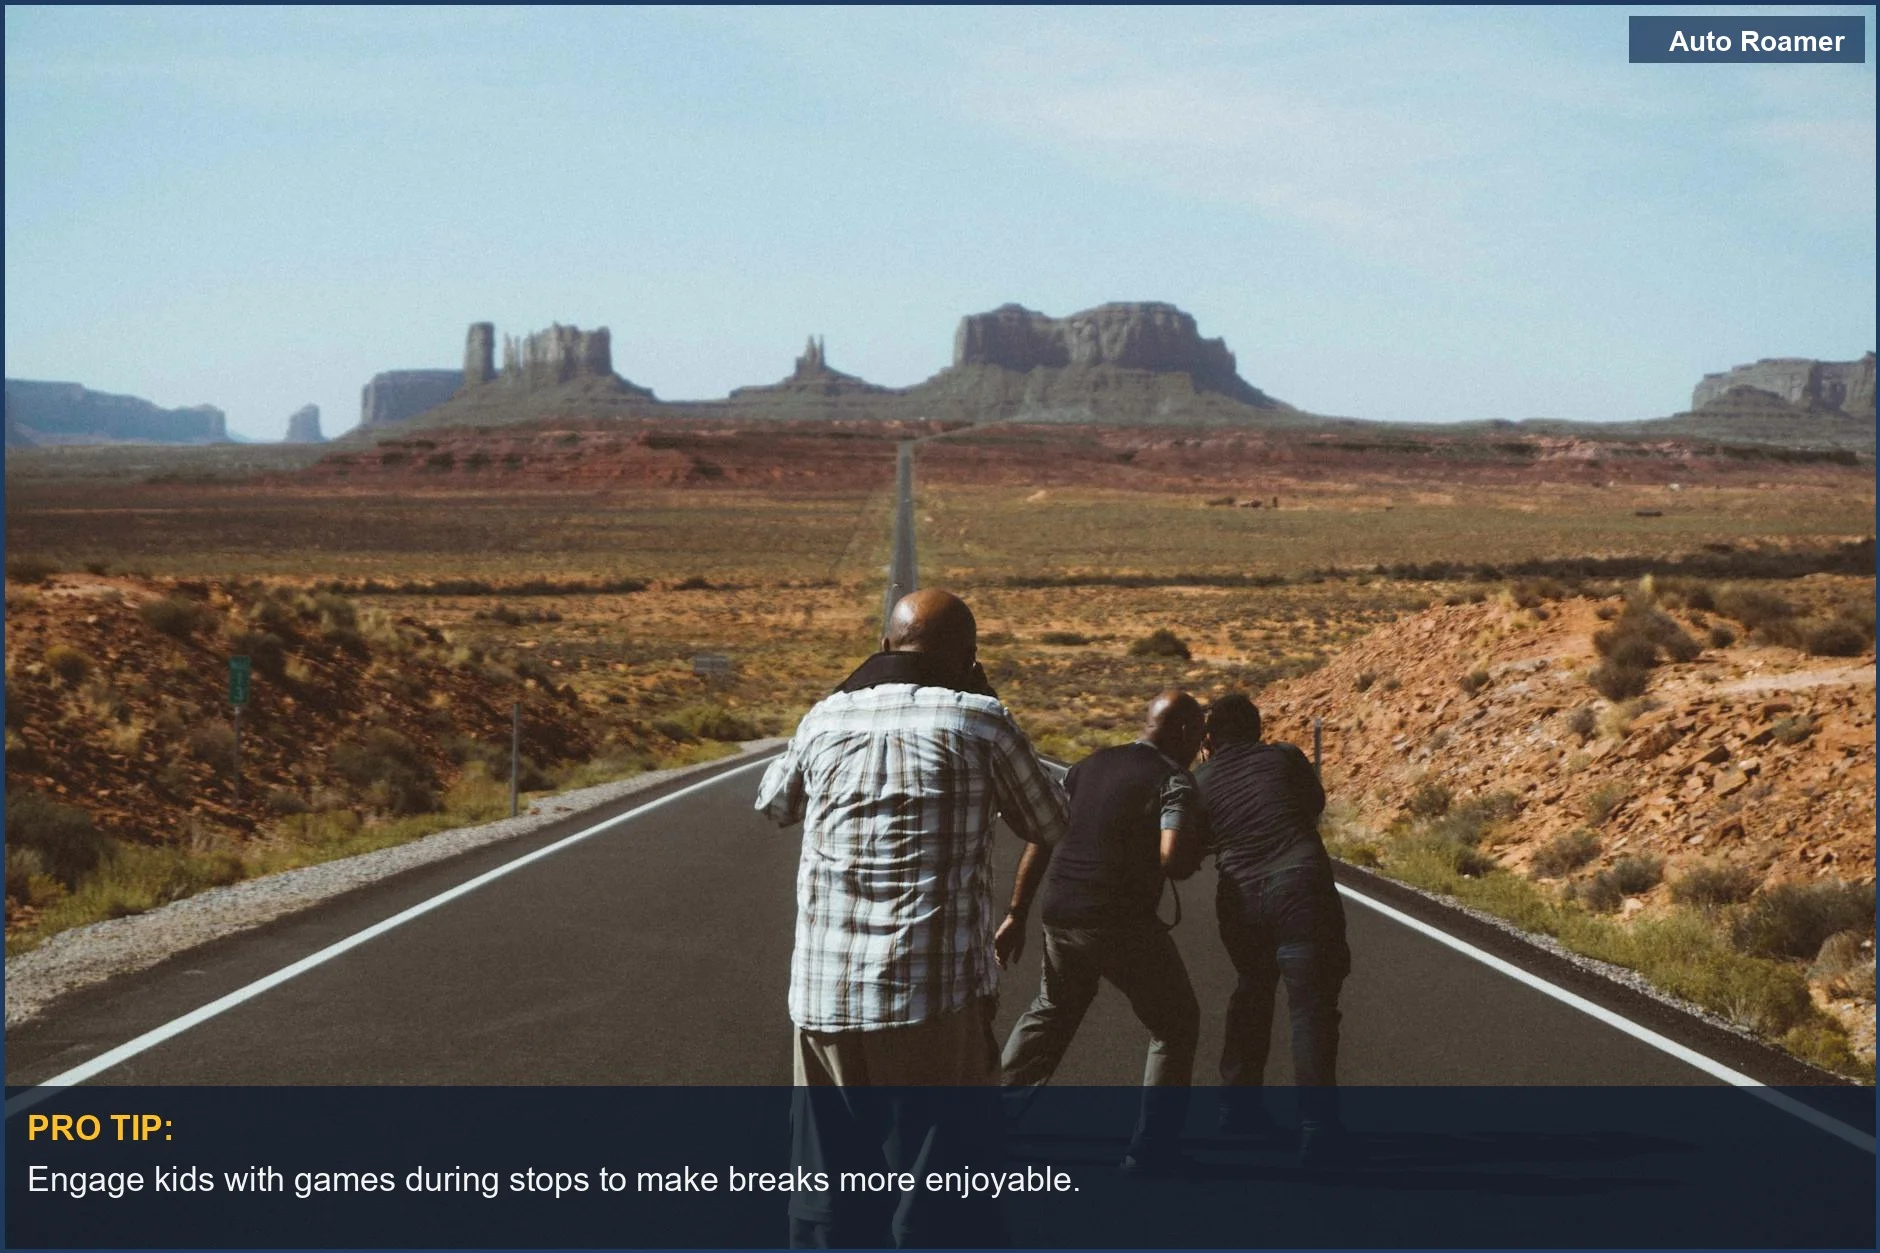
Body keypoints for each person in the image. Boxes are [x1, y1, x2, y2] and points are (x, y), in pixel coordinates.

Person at [755, 588, 1069, 1248]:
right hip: (933, 999)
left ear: (884, 646)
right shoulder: (982, 720)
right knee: (942, 1202)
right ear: (970, 658)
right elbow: (1050, 819)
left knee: (827, 1199)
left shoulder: (825, 717)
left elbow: (775, 803)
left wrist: (846, 695)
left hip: (824, 998)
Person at [995, 690, 1207, 1176]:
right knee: (1175, 1025)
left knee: (1051, 1012)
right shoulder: (1174, 779)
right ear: (1181, 732)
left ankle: (988, 1123)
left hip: (1060, 913)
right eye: (1198, 734)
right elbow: (1173, 859)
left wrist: (1016, 913)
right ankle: (1152, 1152)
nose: (1200, 746)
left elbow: (1041, 837)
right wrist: (1196, 849)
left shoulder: (1086, 766)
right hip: (1119, 920)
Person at [1193, 692, 1353, 1165]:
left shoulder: (1199, 780)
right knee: (1311, 1008)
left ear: (1208, 739)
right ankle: (1317, 1132)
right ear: (1258, 730)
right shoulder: (1284, 756)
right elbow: (1313, 804)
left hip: (1239, 896)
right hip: (1301, 887)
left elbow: (1197, 842)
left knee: (1252, 988)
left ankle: (1236, 1108)